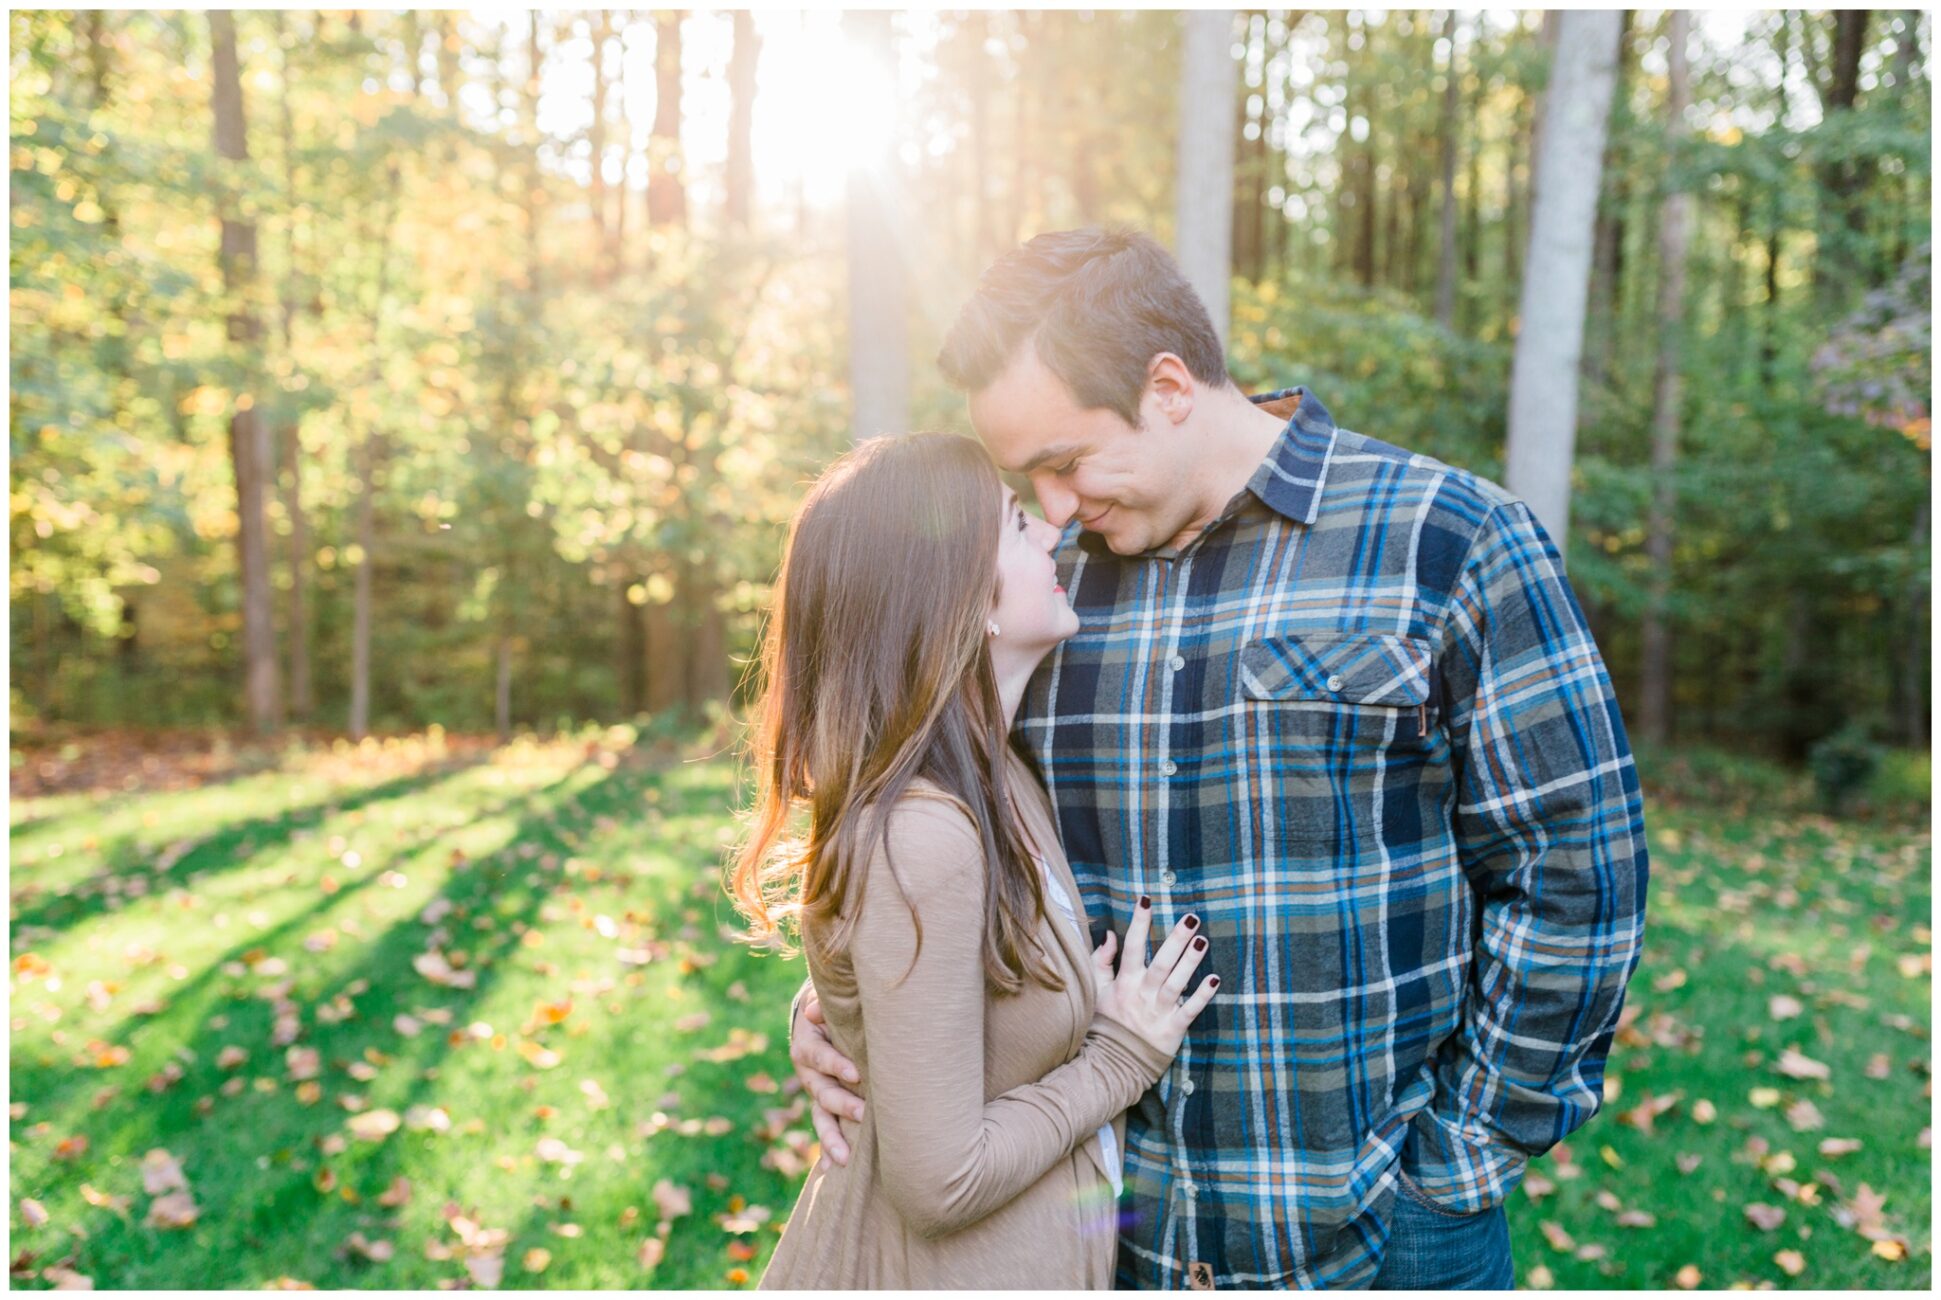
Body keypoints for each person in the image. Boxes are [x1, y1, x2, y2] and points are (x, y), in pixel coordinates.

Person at [789, 228, 1649, 1290]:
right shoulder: (1041, 599)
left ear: (1169, 385)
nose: (1055, 509)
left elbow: (1578, 872)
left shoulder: (1448, 540)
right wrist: (839, 1013)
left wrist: (1459, 1160)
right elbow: (921, 836)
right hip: (1110, 1241)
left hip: (1387, 1239)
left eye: (1066, 461)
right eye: (1030, 481)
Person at [731, 432, 1223, 1289]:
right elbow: (939, 1180)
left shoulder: (1001, 783)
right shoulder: (927, 832)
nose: (1050, 534)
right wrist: (1118, 1057)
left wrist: (839, 1008)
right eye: (1014, 524)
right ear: (963, 595)